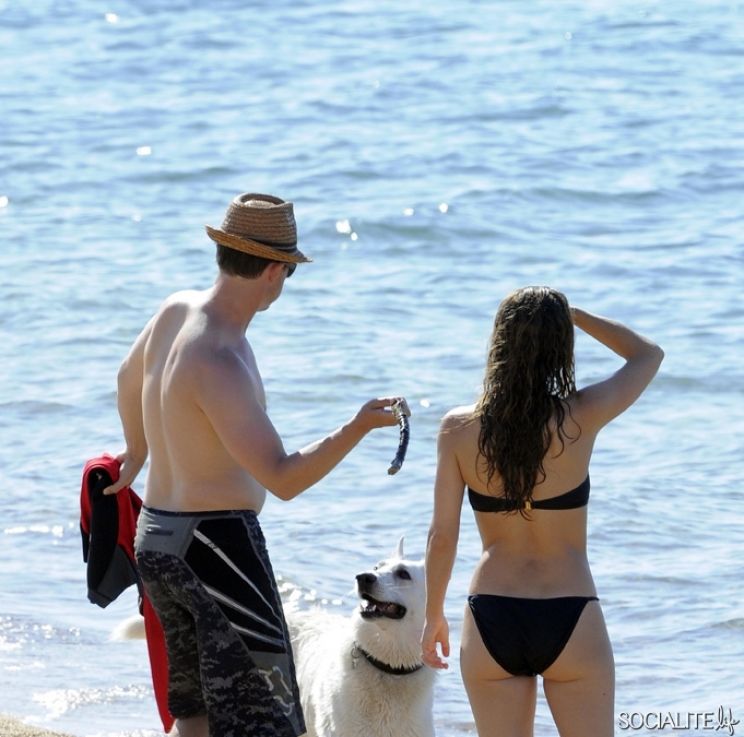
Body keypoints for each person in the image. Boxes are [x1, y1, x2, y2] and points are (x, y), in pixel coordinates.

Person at [104, 192, 402, 737]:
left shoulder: (176, 310)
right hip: (215, 549)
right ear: (272, 269)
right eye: (289, 270)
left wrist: (137, 450)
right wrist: (356, 427)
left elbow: (127, 375)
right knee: (269, 715)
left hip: (157, 539)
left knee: (196, 711)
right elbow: (283, 478)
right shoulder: (219, 356)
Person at [421, 287, 664, 737]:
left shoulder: (458, 428)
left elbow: (442, 536)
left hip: (491, 615)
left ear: (499, 343)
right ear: (560, 348)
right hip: (570, 611)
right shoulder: (582, 415)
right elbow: (648, 355)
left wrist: (433, 616)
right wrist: (574, 316)